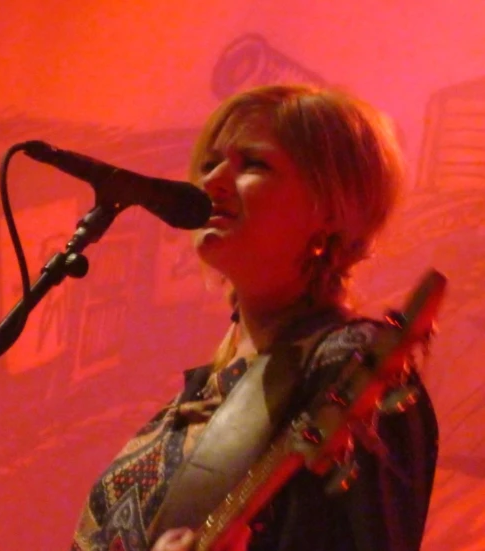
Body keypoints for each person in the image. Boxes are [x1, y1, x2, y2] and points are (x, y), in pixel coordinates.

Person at [69, 84, 438, 551]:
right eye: (210, 164)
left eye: (255, 164)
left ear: (332, 206)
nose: (213, 182)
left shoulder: (348, 364)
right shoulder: (203, 393)